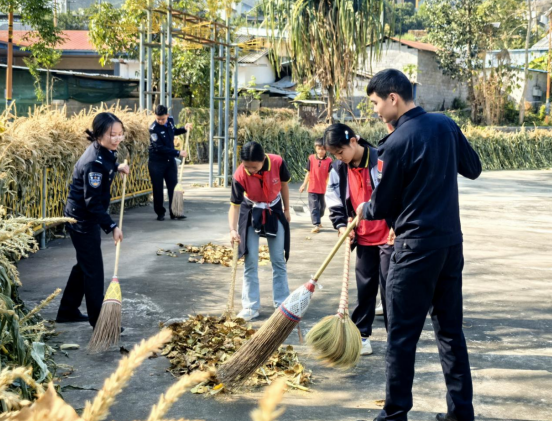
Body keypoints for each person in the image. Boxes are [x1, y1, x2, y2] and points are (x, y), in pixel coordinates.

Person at [358, 69, 482, 421]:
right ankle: (461, 414)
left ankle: (395, 414)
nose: (377, 112)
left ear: (393, 98)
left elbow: (380, 207)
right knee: (450, 333)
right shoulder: (445, 125)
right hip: (449, 246)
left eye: (376, 104)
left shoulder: (395, 143)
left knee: (401, 337)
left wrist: (363, 208)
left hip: (414, 251)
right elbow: (473, 169)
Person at [324, 123, 395, 356]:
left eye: (340, 152)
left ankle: (395, 337)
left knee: (390, 288)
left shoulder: (379, 160)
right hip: (362, 235)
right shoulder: (338, 168)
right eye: (334, 154)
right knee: (365, 288)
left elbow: (396, 194)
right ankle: (362, 335)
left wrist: (397, 225)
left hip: (388, 235)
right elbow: (334, 199)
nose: (339, 157)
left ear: (353, 142)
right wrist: (342, 224)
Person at [57, 112, 130, 329]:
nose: (117, 139)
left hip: (84, 216)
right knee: (94, 271)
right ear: (99, 135)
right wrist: (112, 226)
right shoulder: (93, 163)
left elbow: (106, 165)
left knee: (84, 265)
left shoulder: (104, 152)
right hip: (81, 220)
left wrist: (117, 168)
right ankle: (101, 323)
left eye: (120, 134)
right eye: (112, 135)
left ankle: (67, 310)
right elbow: (92, 203)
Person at [228, 142, 292, 321]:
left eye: (254, 167)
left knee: (278, 259)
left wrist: (287, 209)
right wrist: (233, 230)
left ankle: (281, 304)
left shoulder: (277, 162)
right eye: (247, 166)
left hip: (274, 209)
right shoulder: (240, 174)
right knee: (250, 260)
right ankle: (250, 306)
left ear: (263, 160)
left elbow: (284, 186)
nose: (251, 170)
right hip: (250, 211)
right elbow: (234, 206)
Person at [148, 104, 192, 221]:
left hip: (169, 161)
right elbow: (159, 147)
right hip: (157, 162)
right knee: (158, 188)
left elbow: (174, 131)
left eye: (163, 119)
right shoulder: (153, 128)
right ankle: (160, 213)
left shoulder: (171, 121)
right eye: (158, 119)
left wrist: (184, 128)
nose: (161, 121)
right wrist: (177, 153)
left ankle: (175, 212)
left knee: (173, 186)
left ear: (167, 115)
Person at [299, 138, 332, 233]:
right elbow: (308, 173)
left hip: (323, 189)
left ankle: (319, 219)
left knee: (322, 207)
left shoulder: (329, 161)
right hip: (312, 188)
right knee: (314, 206)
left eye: (323, 149)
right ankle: (316, 224)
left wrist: (330, 187)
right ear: (315, 148)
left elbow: (330, 175)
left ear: (326, 149)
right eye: (319, 148)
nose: (321, 151)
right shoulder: (311, 158)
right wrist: (303, 185)